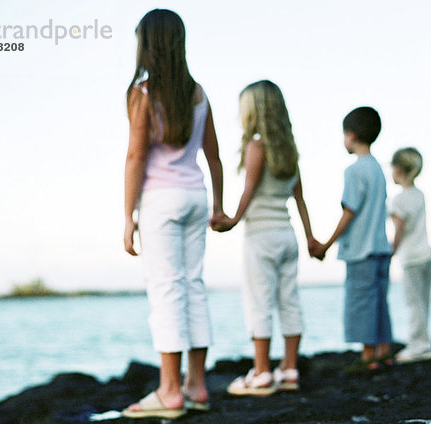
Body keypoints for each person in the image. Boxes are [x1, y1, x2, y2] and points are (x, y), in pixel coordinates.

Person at [122, 9, 224, 419]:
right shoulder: (198, 92)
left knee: (166, 290)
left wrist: (127, 216)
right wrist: (218, 204)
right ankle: (197, 385)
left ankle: (169, 390)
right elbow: (213, 156)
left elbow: (135, 156)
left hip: (161, 201)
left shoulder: (143, 93)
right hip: (195, 197)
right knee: (192, 286)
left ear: (148, 45)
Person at [211, 80, 317, 395]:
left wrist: (232, 219)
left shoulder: (256, 146)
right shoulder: (289, 150)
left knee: (259, 302)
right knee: (289, 301)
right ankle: (289, 369)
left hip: (260, 237)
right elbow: (300, 198)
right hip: (288, 236)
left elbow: (249, 189)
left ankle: (260, 373)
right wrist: (311, 237)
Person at [311, 107, 394, 369]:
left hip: (361, 249)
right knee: (380, 299)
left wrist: (326, 243)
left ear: (351, 135)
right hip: (381, 246)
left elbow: (350, 211)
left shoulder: (354, 171)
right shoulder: (379, 169)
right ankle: (385, 351)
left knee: (362, 301)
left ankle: (368, 356)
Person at [389, 147, 431, 363]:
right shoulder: (420, 194)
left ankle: (417, 346)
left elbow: (399, 229)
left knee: (413, 302)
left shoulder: (399, 200)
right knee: (424, 301)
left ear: (398, 169)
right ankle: (424, 342)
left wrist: (391, 251)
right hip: (426, 255)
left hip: (410, 258)